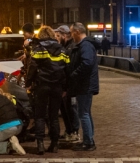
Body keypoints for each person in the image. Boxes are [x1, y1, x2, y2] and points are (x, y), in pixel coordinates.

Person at [25, 25, 68, 155]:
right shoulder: (62, 50)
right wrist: (65, 87)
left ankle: (40, 145)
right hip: (57, 86)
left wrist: (28, 83)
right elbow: (66, 69)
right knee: (54, 116)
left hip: (42, 85)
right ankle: (54, 144)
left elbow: (32, 67)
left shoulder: (39, 49)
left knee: (40, 116)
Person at [68, 22, 99, 151]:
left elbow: (86, 63)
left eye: (71, 33)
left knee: (83, 113)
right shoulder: (86, 45)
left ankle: (88, 142)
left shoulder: (85, 46)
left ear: (76, 32)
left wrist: (74, 74)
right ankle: (89, 139)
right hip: (86, 84)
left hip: (85, 85)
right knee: (86, 112)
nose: (71, 36)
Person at [55, 25, 80, 143]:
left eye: (59, 35)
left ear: (65, 35)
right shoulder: (67, 47)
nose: (57, 38)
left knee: (71, 109)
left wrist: (66, 86)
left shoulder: (70, 48)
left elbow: (68, 68)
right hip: (67, 85)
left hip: (70, 86)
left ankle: (74, 132)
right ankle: (69, 131)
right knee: (66, 109)